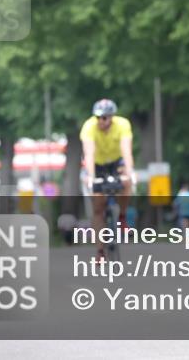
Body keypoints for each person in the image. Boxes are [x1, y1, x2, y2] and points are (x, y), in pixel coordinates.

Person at [79, 99, 136, 260]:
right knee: (98, 208)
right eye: (98, 118)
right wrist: (91, 177)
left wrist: (129, 173)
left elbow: (126, 151)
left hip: (116, 162)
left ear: (111, 117)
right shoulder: (89, 127)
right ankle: (100, 250)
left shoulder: (123, 125)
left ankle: (122, 216)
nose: (101, 121)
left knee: (126, 182)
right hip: (97, 164)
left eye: (104, 118)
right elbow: (89, 154)